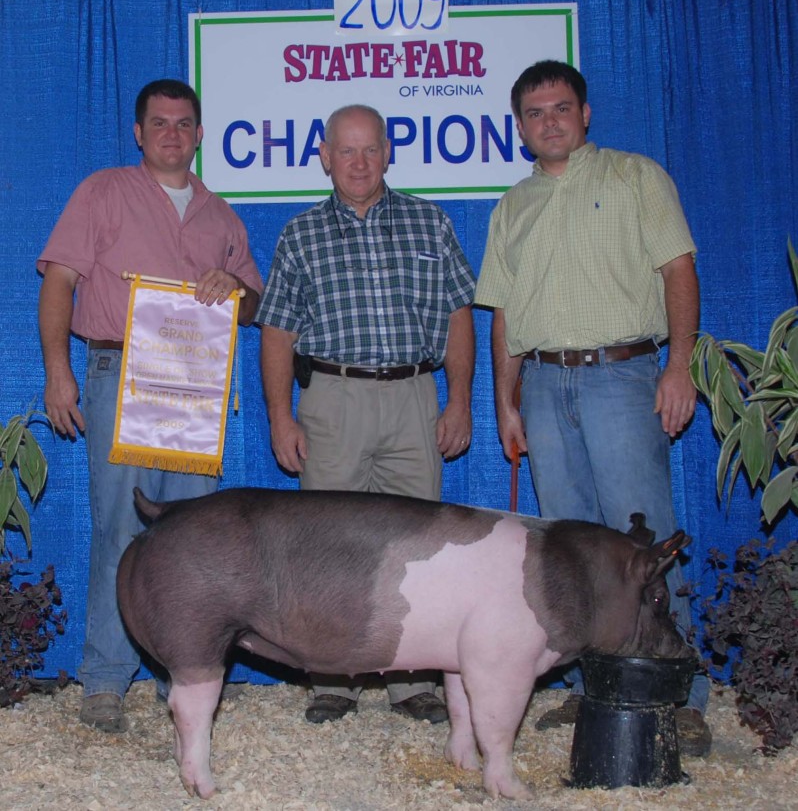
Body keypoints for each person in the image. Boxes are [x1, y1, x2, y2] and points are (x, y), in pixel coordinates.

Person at [474, 60, 712, 756]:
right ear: (520, 128)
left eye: (561, 108)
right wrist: (505, 402)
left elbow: (679, 270)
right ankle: (596, 684)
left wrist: (678, 365)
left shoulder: (637, 178)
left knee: (647, 540)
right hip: (544, 386)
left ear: (585, 115)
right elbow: (504, 314)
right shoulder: (512, 205)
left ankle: (680, 692)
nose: (550, 122)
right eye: (535, 113)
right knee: (571, 547)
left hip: (622, 373)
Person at [37, 79, 263, 733]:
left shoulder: (221, 216)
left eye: (183, 123)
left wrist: (236, 292)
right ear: (139, 133)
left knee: (194, 534)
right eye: (158, 123)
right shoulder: (103, 192)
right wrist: (59, 371)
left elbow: (255, 305)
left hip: (198, 381)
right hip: (121, 369)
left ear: (199, 134)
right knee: (120, 527)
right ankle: (105, 681)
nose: (171, 133)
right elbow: (60, 280)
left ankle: (192, 672)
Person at [255, 104, 476, 725]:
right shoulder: (300, 233)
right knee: (329, 544)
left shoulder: (429, 222)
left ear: (387, 153)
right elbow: (276, 332)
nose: (358, 163)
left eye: (370, 149)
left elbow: (460, 316)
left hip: (413, 394)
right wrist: (281, 416)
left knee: (418, 542)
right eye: (345, 151)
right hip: (332, 395)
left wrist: (458, 400)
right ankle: (334, 676)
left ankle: (412, 680)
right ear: (324, 156)